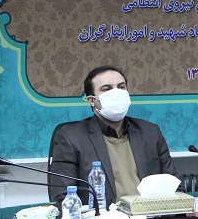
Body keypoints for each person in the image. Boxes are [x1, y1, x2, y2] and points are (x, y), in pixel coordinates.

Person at [48, 66, 180, 208]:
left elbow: (175, 186)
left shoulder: (150, 132)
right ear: (92, 100)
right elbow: (62, 198)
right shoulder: (71, 137)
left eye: (121, 87)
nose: (116, 93)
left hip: (149, 215)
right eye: (106, 89)